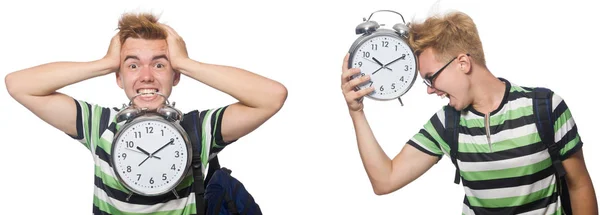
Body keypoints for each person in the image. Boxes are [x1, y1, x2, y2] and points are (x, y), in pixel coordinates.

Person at [5, 12, 287, 214]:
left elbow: (272, 97)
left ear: (175, 76)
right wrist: (104, 63)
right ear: (118, 77)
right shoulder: (100, 125)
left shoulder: (196, 129)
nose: (147, 76)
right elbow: (18, 85)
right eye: (133, 65)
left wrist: (186, 62)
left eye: (160, 65)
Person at [340, 11, 597, 214]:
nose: (431, 90)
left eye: (431, 78)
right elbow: (385, 181)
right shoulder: (446, 123)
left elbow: (579, 185)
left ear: (462, 63)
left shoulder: (546, 106)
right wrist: (357, 112)